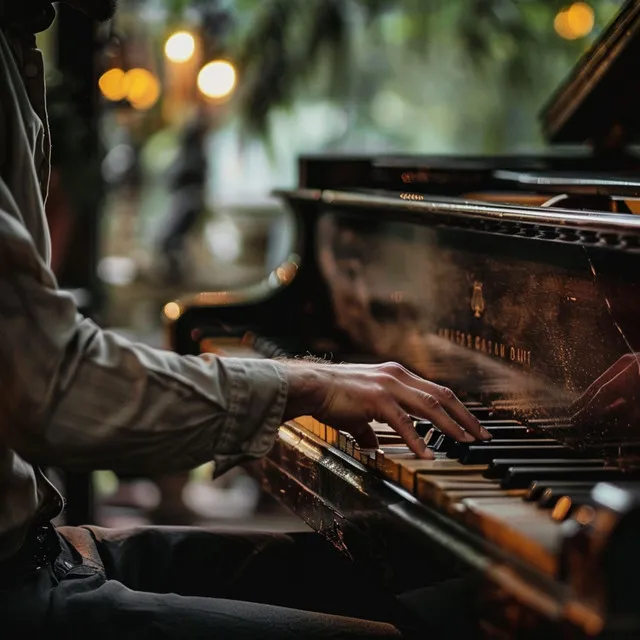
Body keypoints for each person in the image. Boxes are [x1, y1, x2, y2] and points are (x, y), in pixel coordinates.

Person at [0, 0, 491, 638]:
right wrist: (304, 385)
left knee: (396, 570)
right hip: (16, 586)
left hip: (37, 550)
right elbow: (54, 388)